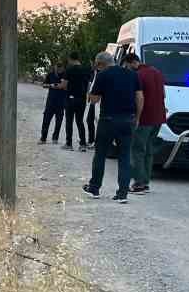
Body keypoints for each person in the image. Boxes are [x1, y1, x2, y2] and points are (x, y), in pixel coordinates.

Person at [82, 50, 143, 202]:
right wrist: (137, 118)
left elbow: (94, 100)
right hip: (128, 120)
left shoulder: (103, 75)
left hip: (108, 120)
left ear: (99, 64)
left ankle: (94, 188)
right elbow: (140, 97)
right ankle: (122, 193)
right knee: (124, 156)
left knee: (100, 154)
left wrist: (93, 87)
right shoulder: (132, 74)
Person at [129, 49, 167, 193]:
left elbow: (139, 97)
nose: (127, 69)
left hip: (145, 118)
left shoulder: (138, 75)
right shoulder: (157, 72)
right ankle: (146, 181)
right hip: (158, 118)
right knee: (149, 150)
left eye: (127, 66)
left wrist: (137, 117)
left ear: (132, 63)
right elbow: (163, 94)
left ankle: (139, 183)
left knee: (137, 149)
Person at [61, 53, 92, 150]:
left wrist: (64, 87)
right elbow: (88, 85)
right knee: (80, 121)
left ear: (70, 59)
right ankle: (82, 144)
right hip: (82, 99)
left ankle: (69, 144)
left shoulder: (69, 70)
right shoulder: (85, 70)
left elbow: (64, 85)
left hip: (70, 98)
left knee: (69, 121)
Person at [38, 60, 65, 144]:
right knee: (46, 119)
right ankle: (43, 138)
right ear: (55, 67)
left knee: (59, 121)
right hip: (50, 101)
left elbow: (68, 86)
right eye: (57, 67)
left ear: (63, 68)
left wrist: (60, 86)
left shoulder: (65, 75)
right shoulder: (50, 75)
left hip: (61, 102)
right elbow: (43, 85)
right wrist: (51, 85)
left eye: (60, 67)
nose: (58, 69)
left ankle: (55, 138)